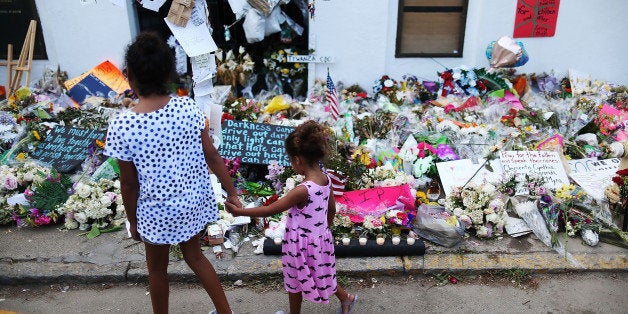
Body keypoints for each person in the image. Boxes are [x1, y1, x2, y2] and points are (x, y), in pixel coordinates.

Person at [104, 32, 240, 314]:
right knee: (196, 257)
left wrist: (133, 220)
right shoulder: (188, 108)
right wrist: (233, 191)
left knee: (156, 270)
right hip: (191, 202)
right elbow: (212, 155)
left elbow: (128, 184)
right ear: (169, 73)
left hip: (155, 211)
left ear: (128, 75)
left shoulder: (122, 125)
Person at [225, 120, 358, 314]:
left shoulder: (302, 190)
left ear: (297, 161)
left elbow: (270, 210)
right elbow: (332, 209)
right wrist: (323, 232)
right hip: (320, 240)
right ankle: (346, 298)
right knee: (322, 273)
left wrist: (239, 212)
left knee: (296, 280)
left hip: (300, 245)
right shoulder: (326, 178)